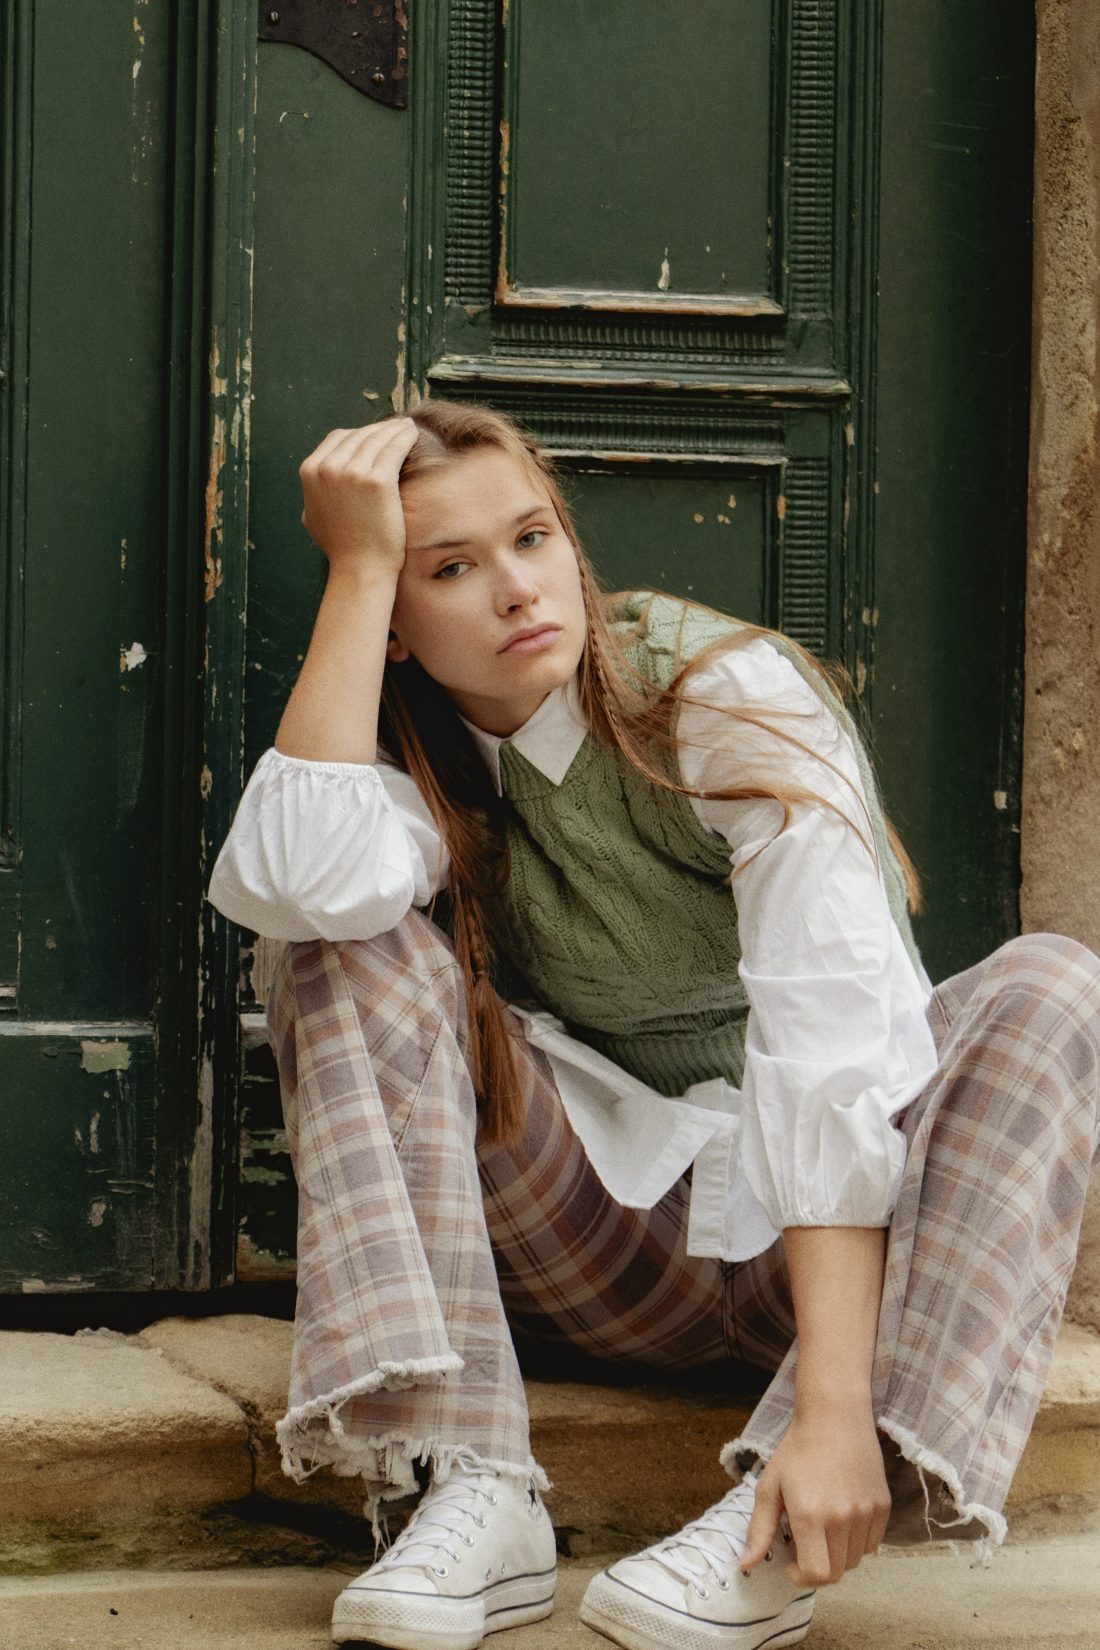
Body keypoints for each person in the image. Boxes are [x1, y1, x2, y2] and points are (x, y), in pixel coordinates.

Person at [208, 400, 1100, 1650]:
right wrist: (359, 566)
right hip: (602, 1245)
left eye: (532, 538)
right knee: (331, 947)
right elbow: (297, 881)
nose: (517, 590)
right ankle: (465, 1482)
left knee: (1053, 982)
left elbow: (833, 1041)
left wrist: (831, 1408)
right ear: (397, 630)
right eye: (450, 570)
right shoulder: (418, 765)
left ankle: (784, 1523)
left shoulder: (719, 690)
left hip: (838, 1265)